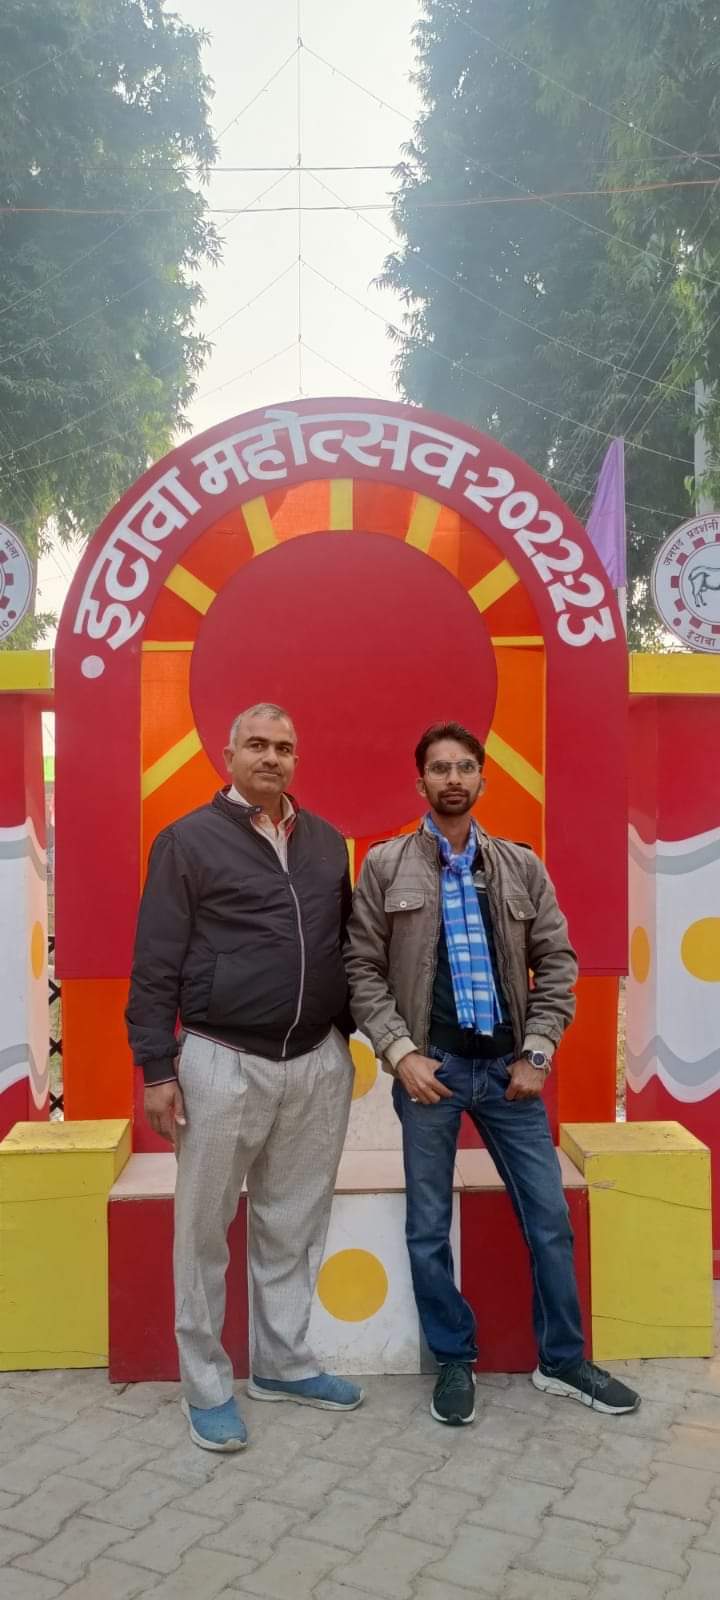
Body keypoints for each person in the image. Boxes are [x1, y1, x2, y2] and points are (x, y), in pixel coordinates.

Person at [345, 721, 639, 1425]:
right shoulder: (384, 866)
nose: (453, 778)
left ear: (482, 778)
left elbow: (558, 963)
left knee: (549, 1220)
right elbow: (360, 968)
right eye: (439, 768)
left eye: (464, 767)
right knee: (427, 1228)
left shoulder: (520, 866)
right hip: (432, 1074)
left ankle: (562, 1360)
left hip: (510, 1077)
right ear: (421, 781)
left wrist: (537, 1052)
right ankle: (454, 1358)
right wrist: (400, 1053)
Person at [126, 703, 362, 1452]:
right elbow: (155, 961)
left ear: (297, 759)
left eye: (284, 747)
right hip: (220, 1059)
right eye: (256, 745)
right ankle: (206, 1386)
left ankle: (284, 1365)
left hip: (315, 1062)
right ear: (227, 755)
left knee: (293, 1221)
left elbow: (345, 943)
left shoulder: (325, 841)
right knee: (203, 1230)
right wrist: (157, 1067)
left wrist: (345, 1031)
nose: (271, 757)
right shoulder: (186, 841)